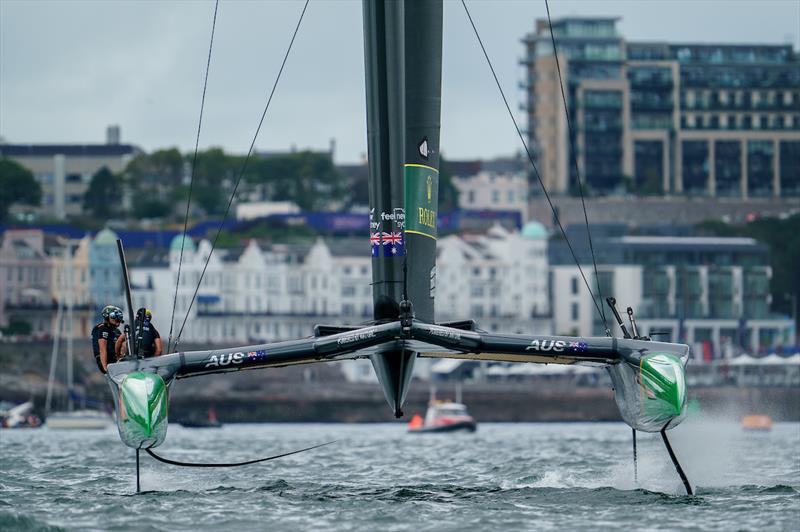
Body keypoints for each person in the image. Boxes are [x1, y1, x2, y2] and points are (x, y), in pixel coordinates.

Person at [91, 305, 125, 373]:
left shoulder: (116, 331)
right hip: (107, 361)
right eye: (113, 316)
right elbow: (102, 349)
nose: (117, 319)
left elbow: (122, 346)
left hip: (115, 359)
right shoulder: (103, 328)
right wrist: (105, 369)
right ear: (107, 317)